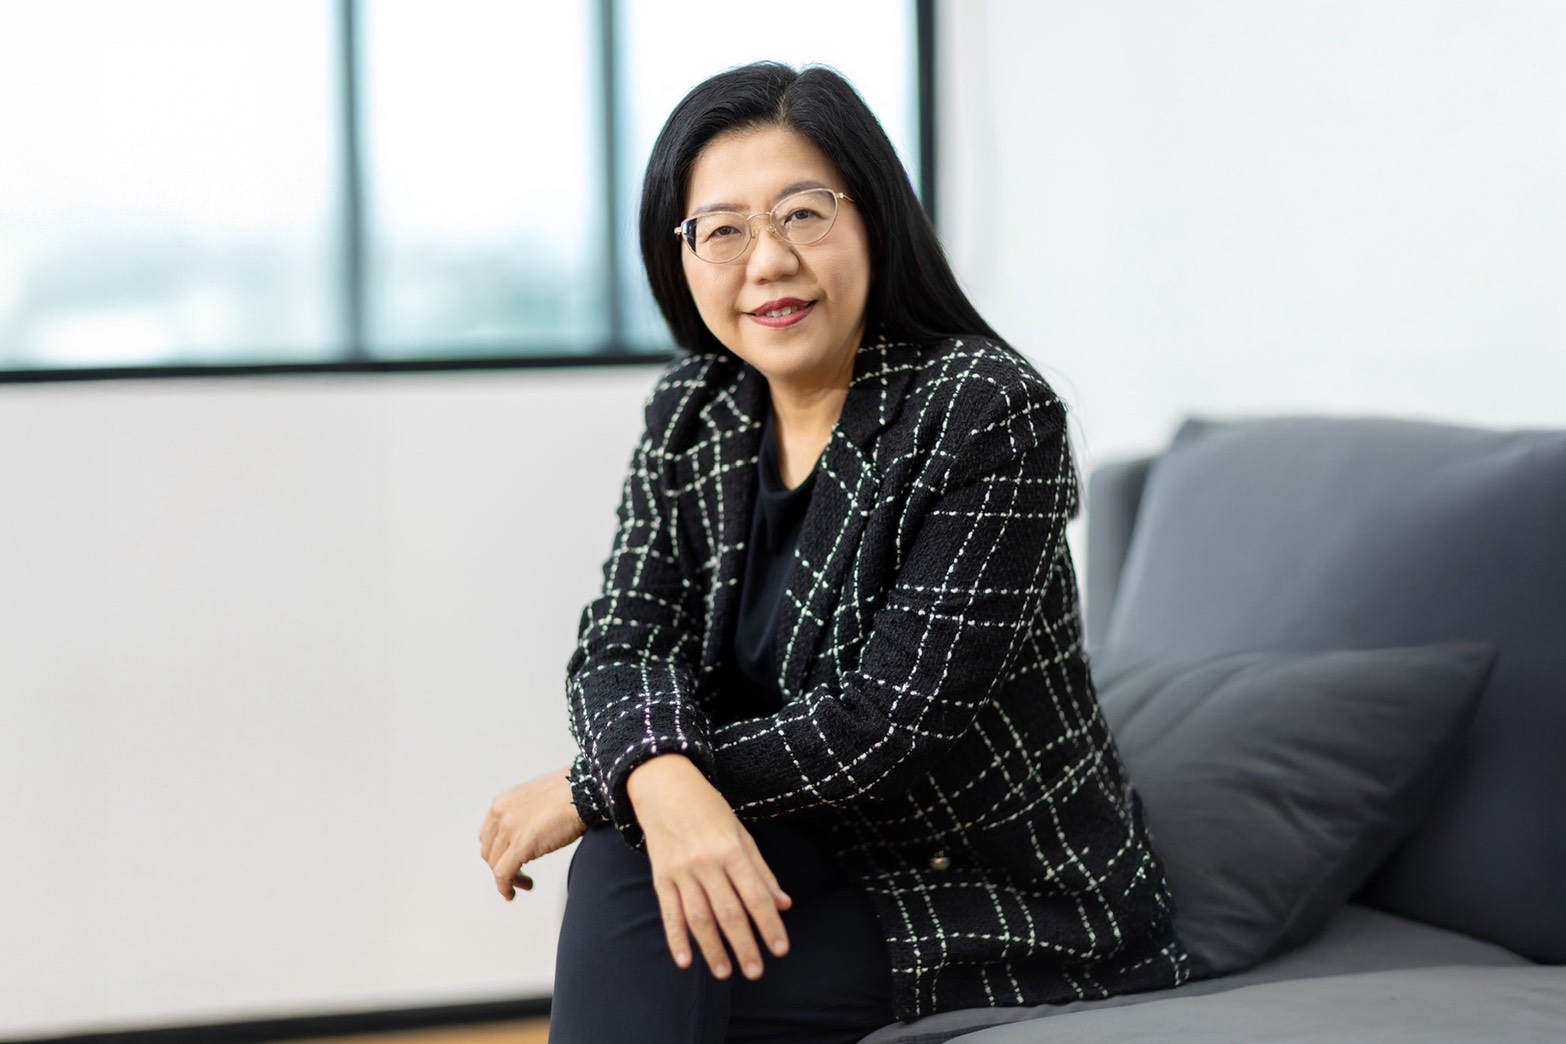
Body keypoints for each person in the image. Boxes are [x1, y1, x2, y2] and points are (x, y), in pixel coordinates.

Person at [478, 62, 1188, 1043]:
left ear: (874, 223)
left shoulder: (986, 413)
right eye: (723, 230)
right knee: (632, 857)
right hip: (791, 836)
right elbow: (621, 643)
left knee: (646, 927)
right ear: (680, 255)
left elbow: (887, 726)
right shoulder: (693, 411)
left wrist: (601, 784)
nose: (768, 260)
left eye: (803, 216)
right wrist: (652, 782)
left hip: (974, 876)